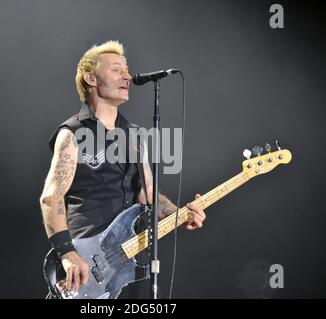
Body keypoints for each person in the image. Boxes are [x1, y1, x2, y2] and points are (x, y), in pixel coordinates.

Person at [39, 40, 206, 299]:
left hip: (126, 268)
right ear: (90, 78)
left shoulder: (136, 137)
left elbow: (147, 196)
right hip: (85, 268)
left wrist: (180, 214)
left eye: (127, 70)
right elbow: (51, 197)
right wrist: (67, 254)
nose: (127, 76)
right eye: (117, 69)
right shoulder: (72, 134)